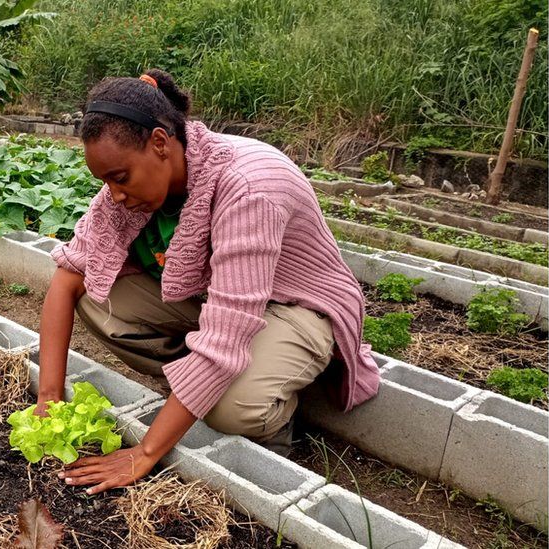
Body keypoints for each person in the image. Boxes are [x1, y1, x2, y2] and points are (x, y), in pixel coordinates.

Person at [35, 69, 380, 495]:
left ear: (160, 143)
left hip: (298, 305)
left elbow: (224, 335)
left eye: (119, 178)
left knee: (232, 410)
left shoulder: (249, 185)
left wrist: (143, 454)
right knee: (96, 297)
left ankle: (269, 415)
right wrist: (48, 397)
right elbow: (68, 276)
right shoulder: (128, 190)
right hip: (220, 304)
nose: (114, 194)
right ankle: (205, 382)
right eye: (104, 181)